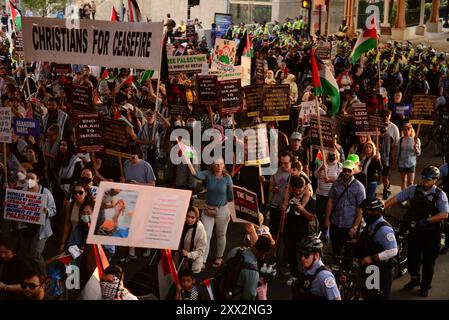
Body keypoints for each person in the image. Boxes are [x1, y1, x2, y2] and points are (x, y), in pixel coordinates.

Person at [384, 166, 449, 297]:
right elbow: (398, 198)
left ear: (435, 180)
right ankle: (414, 279)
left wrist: (428, 220)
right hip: (415, 231)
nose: (425, 180)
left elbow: (444, 214)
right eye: (424, 177)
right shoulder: (413, 189)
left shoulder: (440, 195)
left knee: (428, 262)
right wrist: (384, 206)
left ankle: (425, 285)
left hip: (431, 234)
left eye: (429, 178)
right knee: (412, 259)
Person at [188, 158, 234, 269]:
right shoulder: (208, 174)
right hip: (208, 209)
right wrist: (187, 160)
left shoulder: (227, 178)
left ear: (224, 165)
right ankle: (202, 260)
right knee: (206, 236)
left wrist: (233, 212)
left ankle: (219, 257)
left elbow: (231, 197)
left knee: (221, 235)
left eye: (221, 164)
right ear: (212, 165)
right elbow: (194, 173)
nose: (219, 166)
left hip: (223, 210)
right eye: (216, 164)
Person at [354, 198, 398, 300]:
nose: (365, 213)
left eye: (368, 211)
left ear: (377, 212)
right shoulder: (371, 225)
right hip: (371, 269)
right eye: (364, 211)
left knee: (377, 296)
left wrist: (372, 258)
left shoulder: (384, 230)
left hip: (380, 270)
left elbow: (393, 251)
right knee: (368, 294)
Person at [17, 170, 56, 274]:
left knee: (35, 255)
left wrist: (47, 211)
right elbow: (16, 207)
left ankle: (43, 276)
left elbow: (54, 210)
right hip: (25, 228)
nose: (29, 180)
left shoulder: (46, 193)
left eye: (32, 178)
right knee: (25, 253)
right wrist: (9, 204)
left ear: (38, 179)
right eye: (27, 178)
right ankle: (31, 274)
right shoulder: (22, 191)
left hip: (41, 230)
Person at [324, 160, 366, 257]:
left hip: (349, 225)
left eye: (349, 170)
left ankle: (345, 270)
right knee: (335, 248)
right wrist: (327, 219)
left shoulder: (359, 187)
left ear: (353, 171)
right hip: (335, 222)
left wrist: (355, 227)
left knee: (349, 251)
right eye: (345, 170)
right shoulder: (336, 184)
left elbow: (360, 209)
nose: (346, 172)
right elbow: (330, 201)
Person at [284, 176, 316, 286]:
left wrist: (302, 210)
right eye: (296, 189)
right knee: (291, 255)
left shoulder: (309, 200)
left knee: (303, 256)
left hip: (302, 234)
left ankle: (304, 276)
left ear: (304, 188)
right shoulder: (289, 195)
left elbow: (311, 217)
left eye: (300, 189)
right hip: (289, 232)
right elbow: (283, 207)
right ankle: (294, 275)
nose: (298, 192)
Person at [225, 235, 274, 300]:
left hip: (222, 291)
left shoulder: (236, 250)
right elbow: (249, 296)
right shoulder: (253, 271)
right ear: (263, 253)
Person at [268, 151, 293, 240]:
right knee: (274, 232)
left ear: (291, 162)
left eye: (285, 163)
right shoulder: (276, 171)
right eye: (281, 163)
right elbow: (271, 186)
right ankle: (274, 249)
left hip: (289, 209)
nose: (283, 165)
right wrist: (273, 189)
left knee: (287, 234)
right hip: (275, 205)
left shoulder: (296, 172)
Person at [314, 150, 342, 226]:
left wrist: (330, 180)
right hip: (321, 194)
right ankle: (322, 229)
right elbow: (316, 176)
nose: (332, 155)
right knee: (319, 213)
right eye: (330, 154)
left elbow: (341, 181)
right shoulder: (322, 164)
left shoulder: (339, 166)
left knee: (330, 214)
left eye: (333, 154)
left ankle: (329, 229)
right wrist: (321, 169)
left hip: (332, 195)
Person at [178, 207, 207, 275]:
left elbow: (201, 250)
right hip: (180, 264)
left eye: (192, 217)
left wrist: (188, 255)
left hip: (194, 266)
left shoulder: (200, 230)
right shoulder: (181, 225)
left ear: (196, 218)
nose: (189, 219)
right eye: (188, 216)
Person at [397, 122, 421, 190]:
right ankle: (403, 196)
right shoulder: (401, 140)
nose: (406, 131)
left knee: (410, 182)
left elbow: (418, 153)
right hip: (402, 163)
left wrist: (416, 149)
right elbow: (398, 151)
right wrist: (396, 161)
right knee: (403, 181)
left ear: (411, 130)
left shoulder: (416, 140)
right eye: (405, 129)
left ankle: (409, 197)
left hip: (411, 163)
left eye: (408, 129)